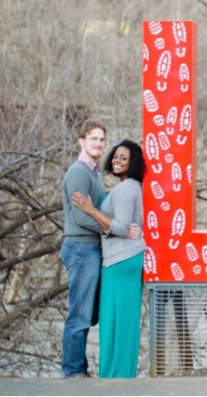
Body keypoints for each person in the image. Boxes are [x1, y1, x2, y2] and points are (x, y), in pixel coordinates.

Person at [72, 140, 147, 378]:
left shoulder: (126, 189)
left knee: (116, 323)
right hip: (124, 258)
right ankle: (118, 374)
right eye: (115, 156)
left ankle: (116, 377)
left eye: (123, 158)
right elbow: (121, 227)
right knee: (119, 321)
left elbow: (123, 226)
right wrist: (113, 227)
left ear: (133, 162)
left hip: (121, 261)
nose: (117, 160)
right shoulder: (131, 187)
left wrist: (90, 209)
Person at [60, 119, 108, 378]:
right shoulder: (79, 172)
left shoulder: (95, 172)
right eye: (93, 139)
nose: (98, 143)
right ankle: (72, 370)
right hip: (80, 247)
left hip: (91, 248)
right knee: (79, 312)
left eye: (101, 139)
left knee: (89, 313)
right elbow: (81, 218)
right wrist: (112, 229)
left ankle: (79, 367)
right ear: (81, 141)